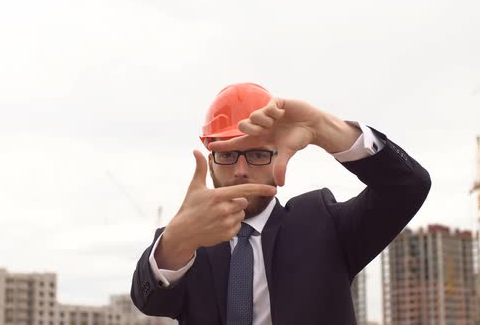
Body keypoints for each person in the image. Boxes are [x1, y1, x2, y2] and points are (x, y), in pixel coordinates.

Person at [131, 83, 431, 324]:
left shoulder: (323, 224)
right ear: (210, 162)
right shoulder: (188, 244)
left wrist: (324, 128)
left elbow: (407, 187)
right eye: (227, 154)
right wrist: (177, 240)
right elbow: (148, 300)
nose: (241, 170)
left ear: (279, 155)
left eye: (257, 154)